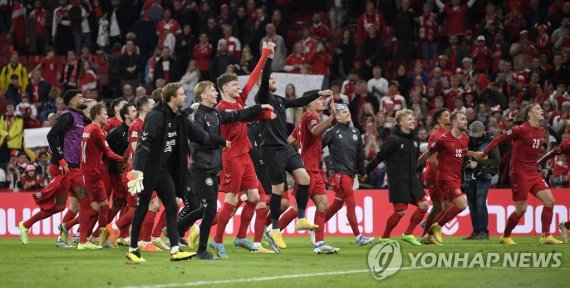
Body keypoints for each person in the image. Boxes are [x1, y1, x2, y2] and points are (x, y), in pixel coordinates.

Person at [126, 82, 228, 263]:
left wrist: (221, 141)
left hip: (164, 170)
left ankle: (175, 249)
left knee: (173, 206)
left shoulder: (180, 117)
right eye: (181, 94)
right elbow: (145, 144)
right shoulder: (156, 116)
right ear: (172, 98)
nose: (185, 97)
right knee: (142, 207)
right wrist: (137, 169)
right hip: (148, 170)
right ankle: (133, 249)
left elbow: (197, 134)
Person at [176, 80, 271, 260]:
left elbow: (239, 115)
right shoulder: (199, 115)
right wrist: (219, 141)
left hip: (216, 164)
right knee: (214, 206)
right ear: (203, 95)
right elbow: (197, 138)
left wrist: (260, 110)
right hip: (209, 164)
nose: (215, 93)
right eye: (212, 90)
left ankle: (233, 237)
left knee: (254, 197)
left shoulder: (217, 113)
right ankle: (209, 242)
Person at [255, 53, 329, 251]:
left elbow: (297, 102)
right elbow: (263, 80)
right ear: (262, 83)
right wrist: (269, 58)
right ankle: (274, 230)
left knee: (304, 178)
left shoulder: (279, 100)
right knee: (279, 192)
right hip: (270, 150)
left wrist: (318, 94)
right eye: (271, 78)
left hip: (285, 148)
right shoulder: (261, 98)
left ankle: (302, 219)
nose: (274, 80)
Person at [210, 42, 275, 256]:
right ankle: (217, 241)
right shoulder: (221, 109)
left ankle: (240, 237)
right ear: (224, 88)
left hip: (245, 154)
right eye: (233, 84)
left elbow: (254, 77)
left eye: (238, 83)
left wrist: (265, 53)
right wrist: (261, 113)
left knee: (256, 198)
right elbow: (240, 119)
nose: (238, 87)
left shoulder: (239, 100)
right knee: (231, 199)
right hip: (231, 157)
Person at [475, 103, 563, 245]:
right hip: (519, 174)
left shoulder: (540, 131)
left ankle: (546, 236)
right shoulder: (520, 130)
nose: (541, 110)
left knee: (550, 201)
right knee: (521, 209)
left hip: (533, 173)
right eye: (538, 109)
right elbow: (498, 139)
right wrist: (484, 152)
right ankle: (505, 236)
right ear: (530, 114)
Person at [19, 90, 90, 247]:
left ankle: (27, 226)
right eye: (80, 97)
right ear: (72, 102)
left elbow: (92, 122)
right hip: (63, 168)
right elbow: (52, 135)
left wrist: (90, 104)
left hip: (75, 169)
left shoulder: (79, 117)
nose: (83, 98)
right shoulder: (68, 116)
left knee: (77, 204)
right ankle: (74, 237)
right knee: (75, 204)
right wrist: (61, 160)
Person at [282, 97, 339, 254]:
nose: (322, 102)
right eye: (319, 100)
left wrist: (294, 155)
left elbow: (290, 139)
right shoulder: (310, 116)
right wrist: (332, 118)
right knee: (297, 208)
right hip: (307, 169)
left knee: (323, 205)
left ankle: (319, 243)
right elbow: (315, 131)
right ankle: (273, 231)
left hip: (313, 168)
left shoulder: (303, 120)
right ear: (310, 104)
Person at [366, 109, 428, 246]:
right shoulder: (393, 140)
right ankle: (384, 237)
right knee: (400, 212)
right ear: (400, 123)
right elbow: (379, 157)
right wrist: (366, 172)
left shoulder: (415, 139)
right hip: (398, 181)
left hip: (413, 179)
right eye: (409, 119)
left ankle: (408, 234)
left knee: (424, 206)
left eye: (413, 118)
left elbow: (415, 160)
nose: (413, 120)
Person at [65, 103, 123, 249]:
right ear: (97, 115)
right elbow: (108, 153)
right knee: (98, 208)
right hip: (93, 175)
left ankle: (70, 228)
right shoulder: (97, 131)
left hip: (87, 173)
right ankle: (90, 240)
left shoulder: (87, 129)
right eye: (104, 114)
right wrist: (125, 159)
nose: (107, 116)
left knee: (98, 208)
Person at [417, 111, 476, 245]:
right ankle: (431, 229)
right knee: (445, 207)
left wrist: (475, 154)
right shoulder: (439, 136)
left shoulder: (464, 137)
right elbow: (430, 157)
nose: (466, 121)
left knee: (446, 208)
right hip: (439, 175)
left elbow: (461, 152)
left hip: (454, 176)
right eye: (446, 115)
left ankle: (428, 235)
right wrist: (412, 167)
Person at [104, 96, 155, 248]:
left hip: (145, 170)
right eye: (153, 104)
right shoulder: (136, 125)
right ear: (145, 108)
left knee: (144, 206)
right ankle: (144, 241)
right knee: (148, 205)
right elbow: (135, 150)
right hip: (137, 172)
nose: (156, 106)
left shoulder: (147, 124)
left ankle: (118, 230)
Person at [322, 104, 374, 246]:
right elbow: (317, 148)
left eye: (348, 111)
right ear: (337, 116)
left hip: (351, 174)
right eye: (344, 112)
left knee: (337, 205)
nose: (348, 114)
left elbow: (360, 155)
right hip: (339, 174)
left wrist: (362, 173)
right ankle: (358, 237)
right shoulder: (331, 132)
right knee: (351, 204)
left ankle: (317, 227)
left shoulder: (356, 132)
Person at [463, 121, 499, 240]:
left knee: (480, 202)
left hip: (484, 175)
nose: (473, 136)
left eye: (476, 134)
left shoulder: (491, 141)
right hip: (469, 175)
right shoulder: (467, 140)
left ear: (483, 131)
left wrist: (478, 163)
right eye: (472, 134)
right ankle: (476, 231)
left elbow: (496, 161)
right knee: (472, 204)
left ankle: (484, 232)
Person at [420, 108, 450, 243]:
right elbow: (432, 159)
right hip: (435, 174)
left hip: (444, 174)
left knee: (446, 206)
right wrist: (447, 171)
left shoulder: (449, 134)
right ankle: (426, 234)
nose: (449, 117)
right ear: (439, 120)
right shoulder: (436, 135)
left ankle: (428, 227)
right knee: (440, 207)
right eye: (446, 115)